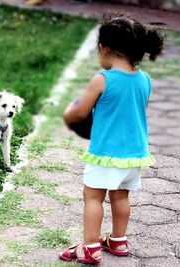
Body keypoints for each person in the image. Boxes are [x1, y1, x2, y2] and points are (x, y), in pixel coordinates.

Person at [59, 14, 164, 265]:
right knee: (121, 196)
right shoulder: (145, 79)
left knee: (93, 197)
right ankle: (118, 240)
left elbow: (81, 112)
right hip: (134, 153)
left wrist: (68, 114)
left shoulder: (102, 79)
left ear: (103, 49)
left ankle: (90, 248)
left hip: (106, 151)